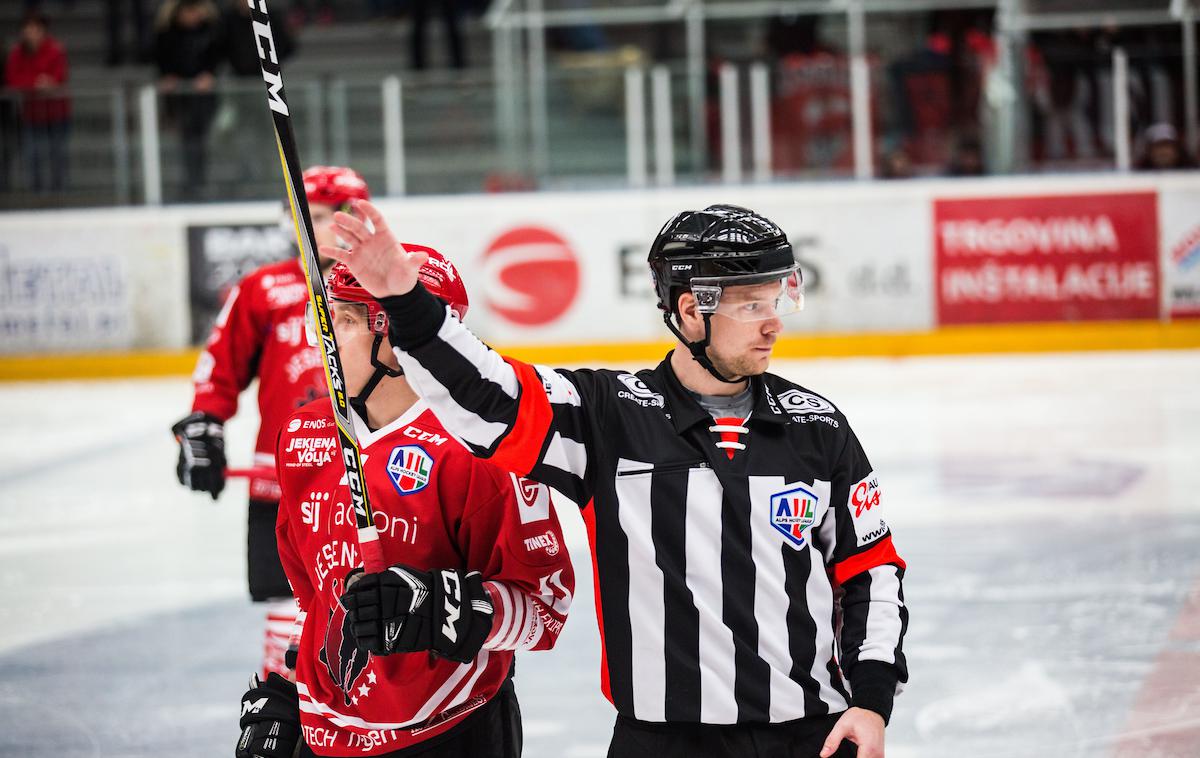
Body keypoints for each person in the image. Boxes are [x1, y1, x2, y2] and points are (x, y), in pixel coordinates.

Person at [323, 202, 909, 758]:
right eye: (751, 306)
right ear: (689, 312)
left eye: (776, 299)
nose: (773, 323)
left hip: (809, 737)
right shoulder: (609, 416)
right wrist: (405, 299)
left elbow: (869, 569)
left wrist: (873, 701)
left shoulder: (819, 427)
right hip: (661, 744)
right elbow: (490, 397)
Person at [236, 256, 574, 758]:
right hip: (326, 733)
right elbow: (316, 597)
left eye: (343, 323)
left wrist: (443, 606)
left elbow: (545, 611)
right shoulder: (304, 432)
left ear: (402, 338)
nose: (320, 344)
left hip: (449, 728)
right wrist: (289, 691)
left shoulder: (484, 448)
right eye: (324, 322)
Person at [172, 165, 370, 680]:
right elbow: (220, 365)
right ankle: (291, 709)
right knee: (288, 609)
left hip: (370, 477)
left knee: (369, 605)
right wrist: (204, 425)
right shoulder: (265, 290)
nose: (309, 226)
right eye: (304, 215)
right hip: (287, 480)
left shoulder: (386, 287)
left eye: (325, 215)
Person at [153, 0, 222, 199]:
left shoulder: (210, 31)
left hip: (203, 98)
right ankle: (190, 183)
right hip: (179, 99)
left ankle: (200, 182)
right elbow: (159, 56)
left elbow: (218, 55)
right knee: (186, 139)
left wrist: (209, 74)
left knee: (200, 139)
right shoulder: (168, 34)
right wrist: (168, 76)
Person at [5, 11, 70, 193]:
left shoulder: (55, 50)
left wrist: (45, 83)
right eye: (28, 29)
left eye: (35, 29)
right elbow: (13, 79)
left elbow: (59, 77)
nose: (31, 33)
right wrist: (36, 83)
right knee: (33, 155)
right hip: (32, 114)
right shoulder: (17, 53)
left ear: (43, 31)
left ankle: (60, 192)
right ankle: (36, 193)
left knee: (57, 154)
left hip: (56, 113)